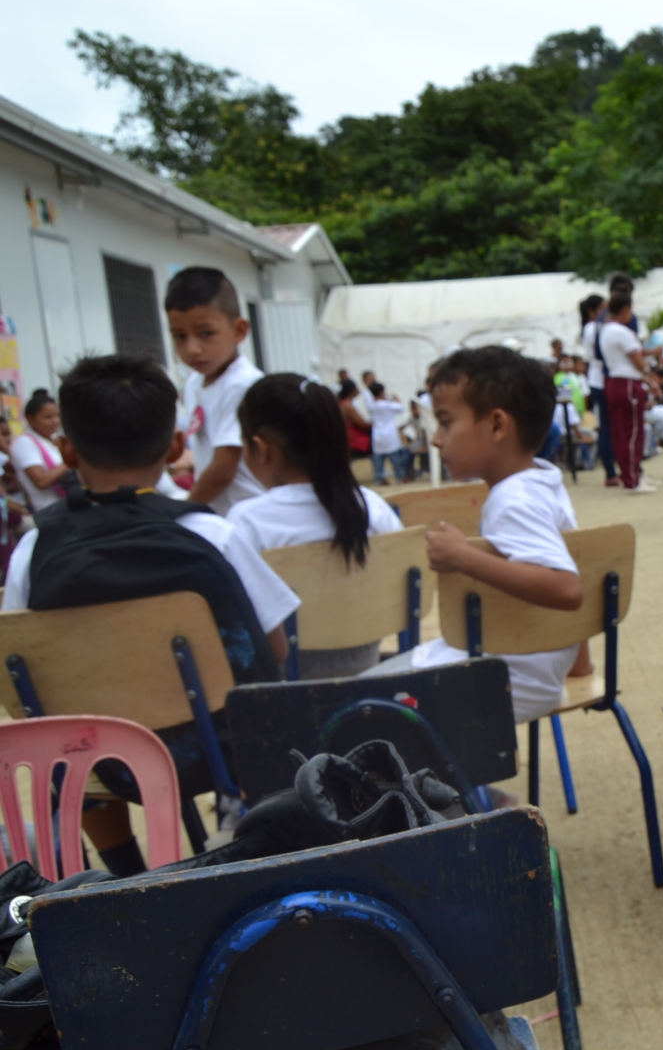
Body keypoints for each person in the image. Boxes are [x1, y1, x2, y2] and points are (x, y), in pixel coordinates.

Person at [3, 354, 297, 864]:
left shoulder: (34, 550)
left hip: (98, 759)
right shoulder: (212, 534)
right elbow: (273, 645)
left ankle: (125, 868)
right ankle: (253, 845)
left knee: (69, 743)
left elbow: (18, 667)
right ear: (177, 445)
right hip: (217, 750)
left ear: (67, 451)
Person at [370, 346, 583, 724]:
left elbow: (566, 588)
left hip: (503, 678)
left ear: (498, 426)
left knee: (358, 703)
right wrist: (579, 661)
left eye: (446, 422)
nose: (436, 440)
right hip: (523, 668)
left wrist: (463, 557)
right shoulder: (542, 482)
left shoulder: (513, 500)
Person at [228, 373, 405, 676]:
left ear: (261, 447)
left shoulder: (246, 521)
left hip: (284, 689)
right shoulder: (370, 506)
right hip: (366, 673)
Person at [165, 266, 266, 514]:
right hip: (219, 512)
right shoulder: (194, 383)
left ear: (239, 330)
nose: (192, 349)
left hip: (250, 515)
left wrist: (186, 511)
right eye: (179, 336)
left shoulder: (243, 385)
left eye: (205, 333)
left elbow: (223, 468)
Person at [596, 293, 658, 493]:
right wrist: (649, 373)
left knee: (621, 432)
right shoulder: (622, 332)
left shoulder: (605, 330)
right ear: (625, 309)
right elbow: (638, 361)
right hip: (628, 383)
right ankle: (633, 479)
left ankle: (631, 475)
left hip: (614, 381)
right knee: (632, 433)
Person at [577, 293, 618, 487]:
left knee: (611, 427)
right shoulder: (593, 327)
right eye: (602, 308)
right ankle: (610, 471)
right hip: (600, 381)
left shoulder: (595, 327)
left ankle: (613, 468)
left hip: (602, 379)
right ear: (592, 311)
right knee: (607, 428)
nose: (606, 312)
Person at [10, 389, 67, 514]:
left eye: (58, 416)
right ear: (30, 419)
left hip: (65, 507)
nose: (55, 421)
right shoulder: (24, 443)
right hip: (50, 511)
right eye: (48, 417)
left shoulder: (53, 440)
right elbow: (41, 481)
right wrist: (70, 461)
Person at [366, 380, 408, 485]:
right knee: (395, 458)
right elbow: (401, 408)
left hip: (377, 435)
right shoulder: (387, 405)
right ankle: (399, 477)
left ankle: (379, 478)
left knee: (379, 460)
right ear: (381, 392)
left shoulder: (372, 406)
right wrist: (396, 398)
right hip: (389, 435)